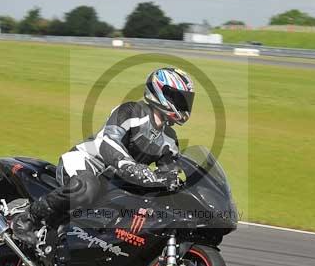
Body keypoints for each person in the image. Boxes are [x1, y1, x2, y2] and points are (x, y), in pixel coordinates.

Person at [13, 67, 195, 240]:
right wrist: (130, 166)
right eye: (180, 98)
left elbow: (168, 174)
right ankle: (27, 219)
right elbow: (108, 142)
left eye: (187, 100)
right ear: (162, 93)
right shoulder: (131, 111)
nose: (184, 105)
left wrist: (177, 184)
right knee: (87, 187)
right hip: (86, 163)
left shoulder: (170, 140)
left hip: (113, 183)